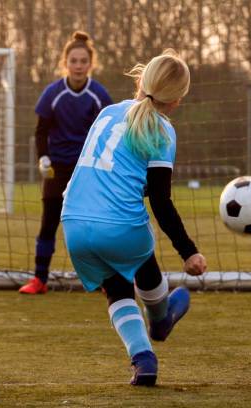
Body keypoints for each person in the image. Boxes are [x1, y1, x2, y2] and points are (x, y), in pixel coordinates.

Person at [60, 49, 207, 386]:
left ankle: (143, 359)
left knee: (116, 287)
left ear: (141, 81)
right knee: (136, 248)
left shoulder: (107, 112)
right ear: (177, 101)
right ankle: (161, 318)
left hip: (74, 222)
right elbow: (160, 201)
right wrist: (189, 252)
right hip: (120, 229)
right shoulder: (163, 130)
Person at [19, 31, 113, 294]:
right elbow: (40, 131)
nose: (79, 65)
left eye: (83, 61)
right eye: (74, 60)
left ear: (90, 64)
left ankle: (106, 281)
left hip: (87, 171)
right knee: (49, 222)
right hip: (57, 169)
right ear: (65, 62)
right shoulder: (53, 93)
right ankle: (39, 279)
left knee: (93, 226)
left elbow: (107, 132)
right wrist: (43, 156)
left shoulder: (99, 95)